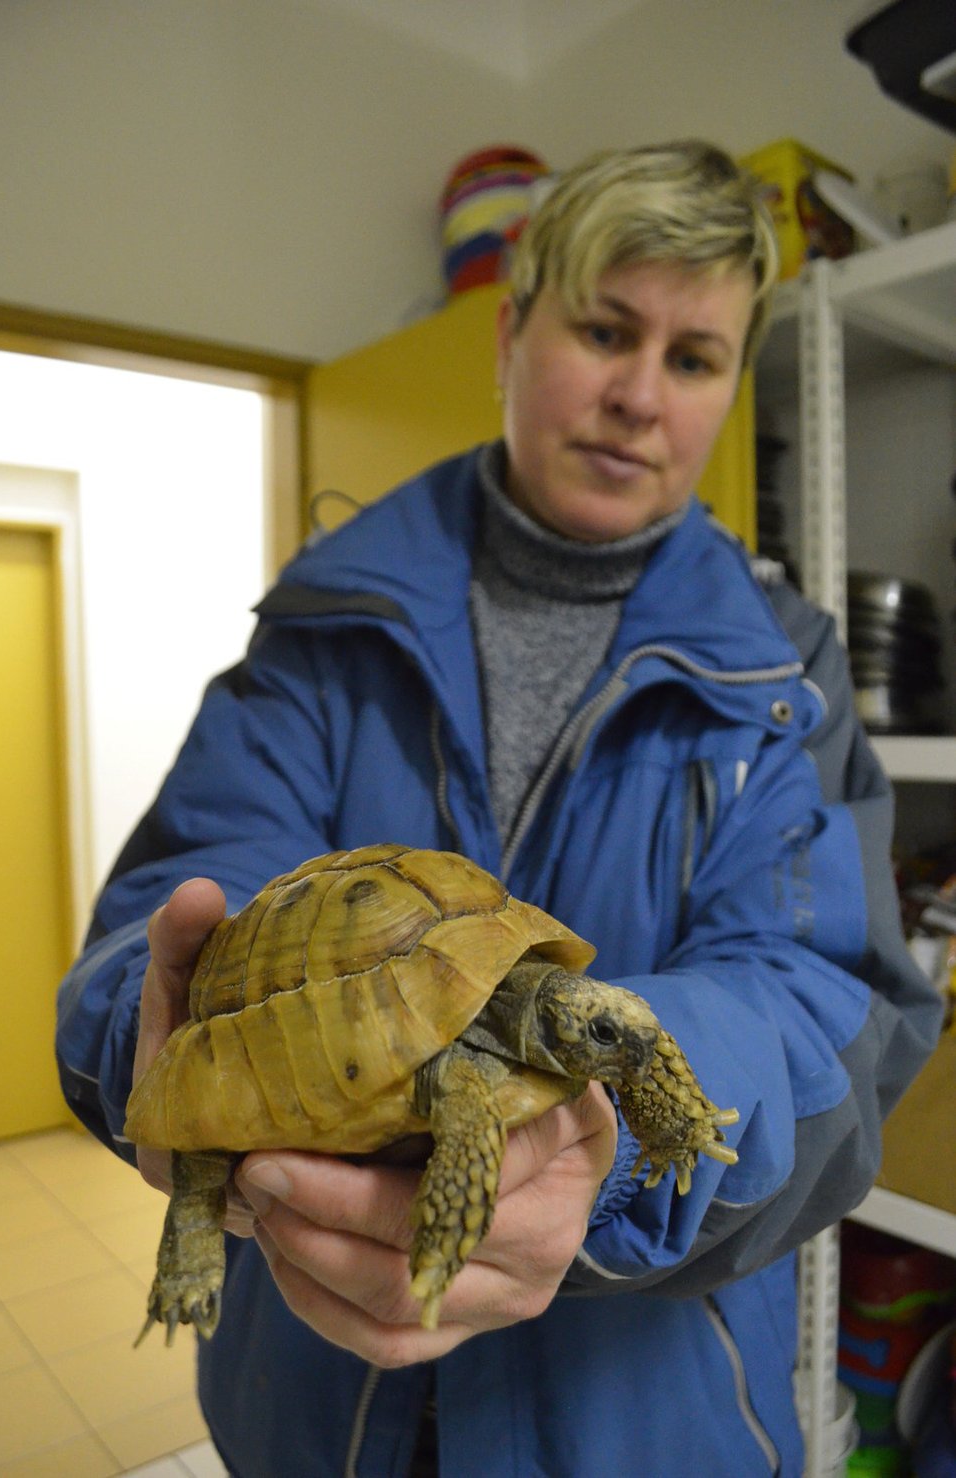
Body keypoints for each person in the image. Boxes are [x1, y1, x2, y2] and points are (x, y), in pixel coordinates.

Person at [57, 141, 943, 1478]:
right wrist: (153, 1023)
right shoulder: (323, 628)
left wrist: (618, 1154)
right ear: (510, 328)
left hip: (648, 1422)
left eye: (694, 357)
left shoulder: (781, 675)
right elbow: (170, 905)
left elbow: (821, 1003)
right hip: (313, 1401)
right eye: (603, 329)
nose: (640, 396)